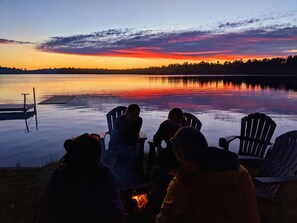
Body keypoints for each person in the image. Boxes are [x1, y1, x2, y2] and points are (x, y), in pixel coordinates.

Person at [156, 127, 260, 223]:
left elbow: (164, 219)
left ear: (181, 153)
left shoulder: (185, 183)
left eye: (176, 156)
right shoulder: (241, 172)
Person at [35, 133, 126, 223]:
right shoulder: (105, 175)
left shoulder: (60, 175)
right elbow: (117, 210)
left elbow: (46, 207)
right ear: (97, 156)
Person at [108, 104, 144, 186]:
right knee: (125, 154)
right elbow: (119, 136)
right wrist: (129, 147)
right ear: (126, 113)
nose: (134, 118)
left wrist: (135, 144)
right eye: (132, 115)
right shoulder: (119, 121)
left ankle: (133, 175)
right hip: (117, 144)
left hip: (130, 144)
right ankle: (120, 175)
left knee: (134, 153)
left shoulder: (139, 120)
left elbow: (135, 135)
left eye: (136, 115)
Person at [153, 108, 189, 172]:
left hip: (183, 153)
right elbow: (156, 137)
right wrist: (159, 146)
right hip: (169, 150)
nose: (173, 122)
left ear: (180, 119)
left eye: (176, 119)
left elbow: (189, 143)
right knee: (163, 157)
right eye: (171, 119)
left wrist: (179, 129)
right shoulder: (165, 125)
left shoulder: (185, 127)